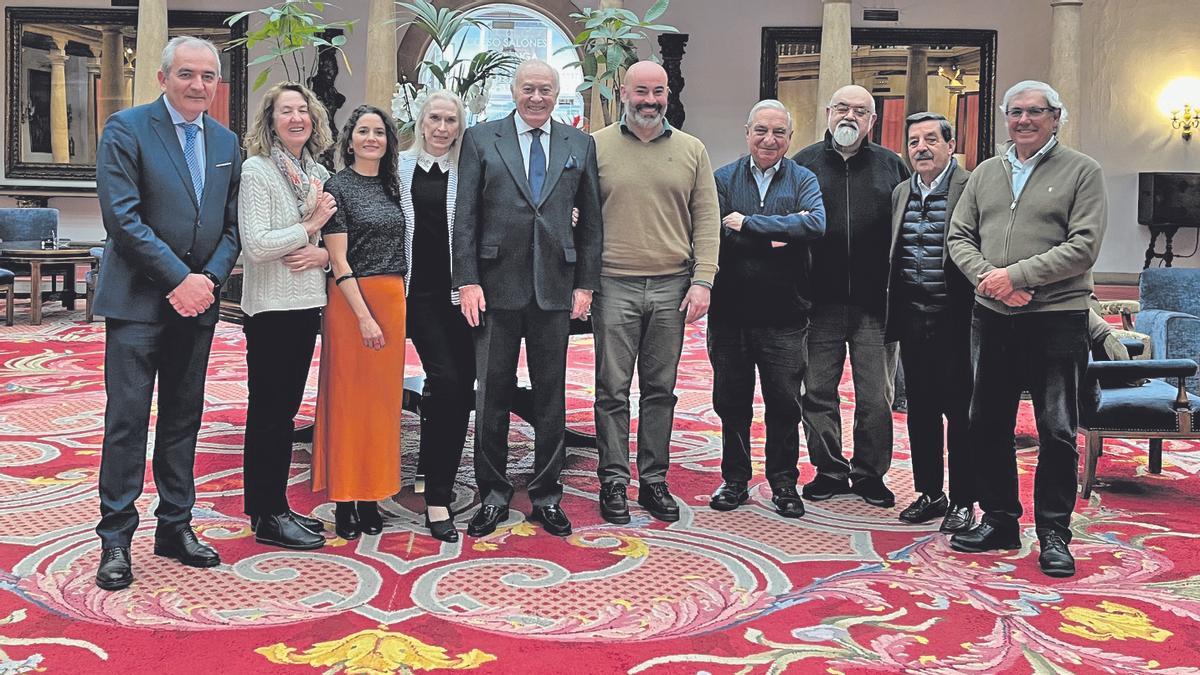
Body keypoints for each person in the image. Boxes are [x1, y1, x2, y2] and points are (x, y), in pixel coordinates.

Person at [93, 36, 241, 590]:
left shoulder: (226, 140)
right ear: (162, 78)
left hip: (197, 306)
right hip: (136, 304)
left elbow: (232, 225)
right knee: (127, 423)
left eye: (207, 76)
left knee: (184, 420)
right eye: (187, 74)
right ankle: (115, 541)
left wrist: (205, 283)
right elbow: (122, 220)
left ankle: (175, 526)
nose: (198, 85)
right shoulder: (126, 129)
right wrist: (179, 279)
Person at [947, 80, 1106, 578]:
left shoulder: (1083, 171)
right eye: (1015, 112)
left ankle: (1055, 533)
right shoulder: (986, 173)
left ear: (1056, 117)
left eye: (1035, 111)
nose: (1024, 120)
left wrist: (1015, 276)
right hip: (992, 317)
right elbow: (959, 235)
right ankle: (999, 521)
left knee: (1056, 430)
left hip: (1057, 318)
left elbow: (1083, 247)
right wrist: (990, 282)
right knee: (986, 423)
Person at [453, 59, 603, 538]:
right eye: (528, 89)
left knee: (551, 396)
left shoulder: (580, 144)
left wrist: (585, 284)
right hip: (495, 287)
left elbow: (593, 222)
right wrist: (467, 280)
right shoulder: (481, 139)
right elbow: (466, 217)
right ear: (513, 91)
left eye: (546, 89)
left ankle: (546, 494)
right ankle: (493, 494)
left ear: (558, 93)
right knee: (491, 394)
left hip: (555, 287)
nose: (537, 97)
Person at [592, 61, 721, 524]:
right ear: (622, 93)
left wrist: (703, 279)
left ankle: (653, 480)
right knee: (611, 390)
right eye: (641, 91)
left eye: (658, 92)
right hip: (612, 285)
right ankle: (612, 481)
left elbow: (706, 219)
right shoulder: (596, 147)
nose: (650, 100)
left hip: (672, 287)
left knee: (660, 390)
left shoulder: (692, 150)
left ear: (668, 95)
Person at [792, 84, 909, 508]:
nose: (850, 116)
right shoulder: (802, 165)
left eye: (860, 110)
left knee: (875, 395)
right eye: (842, 107)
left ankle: (869, 473)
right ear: (828, 113)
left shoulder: (892, 166)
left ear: (872, 121)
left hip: (875, 305)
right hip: (817, 304)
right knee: (818, 391)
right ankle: (829, 470)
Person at [708, 99, 826, 518]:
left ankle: (783, 482)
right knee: (731, 402)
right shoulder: (722, 178)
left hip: (785, 316)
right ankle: (734, 479)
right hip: (730, 315)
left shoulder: (803, 178)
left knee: (783, 404)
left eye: (778, 132)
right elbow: (718, 233)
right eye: (761, 130)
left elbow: (815, 225)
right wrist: (782, 233)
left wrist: (751, 224)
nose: (769, 139)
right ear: (747, 132)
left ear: (790, 138)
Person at [237, 82, 335, 551]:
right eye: (285, 111)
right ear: (270, 121)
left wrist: (320, 253)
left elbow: (320, 249)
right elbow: (256, 246)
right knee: (270, 414)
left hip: (304, 307)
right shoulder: (257, 171)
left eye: (303, 110)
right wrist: (309, 228)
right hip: (271, 309)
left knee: (284, 412)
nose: (296, 118)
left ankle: (274, 505)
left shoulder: (314, 172)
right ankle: (266, 514)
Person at [313, 105, 409, 540]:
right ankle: (347, 498)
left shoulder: (395, 187)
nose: (372, 138)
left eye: (380, 132)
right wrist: (365, 317)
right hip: (353, 303)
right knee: (348, 401)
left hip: (392, 299)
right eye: (363, 131)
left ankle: (373, 494)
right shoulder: (338, 188)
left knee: (382, 405)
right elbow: (336, 259)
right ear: (349, 139)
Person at [886, 112, 975, 533]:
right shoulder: (901, 191)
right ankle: (930, 493)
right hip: (912, 316)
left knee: (960, 412)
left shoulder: (971, 187)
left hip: (956, 318)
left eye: (931, 140)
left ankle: (963, 500)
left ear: (950, 145)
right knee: (919, 410)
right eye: (914, 141)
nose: (921, 148)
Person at [398, 91, 473, 543]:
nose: (442, 127)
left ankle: (436, 483)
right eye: (435, 119)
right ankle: (433, 497)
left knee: (458, 388)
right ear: (421, 123)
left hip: (460, 296)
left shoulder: (468, 172)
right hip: (414, 295)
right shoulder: (398, 168)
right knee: (445, 380)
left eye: (451, 120)